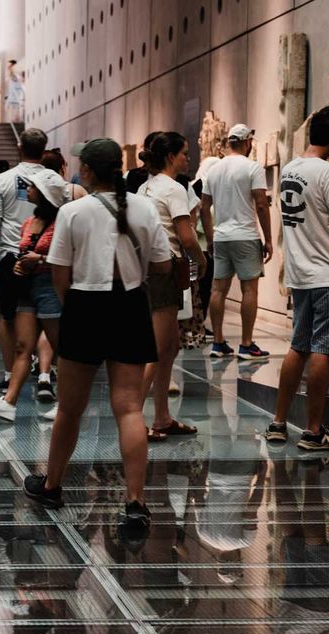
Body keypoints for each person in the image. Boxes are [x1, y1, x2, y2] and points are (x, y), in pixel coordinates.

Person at [23, 138, 172, 536]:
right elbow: (163, 263)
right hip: (130, 307)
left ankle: (52, 486)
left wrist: (70, 306)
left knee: (71, 408)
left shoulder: (73, 211)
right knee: (128, 408)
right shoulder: (143, 207)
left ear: (86, 170)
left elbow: (59, 269)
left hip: (84, 306)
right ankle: (136, 503)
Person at [266, 103, 329, 451]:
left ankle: (278, 423)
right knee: (323, 350)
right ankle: (313, 430)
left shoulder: (291, 168)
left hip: (301, 272)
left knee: (299, 346)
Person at [0, 169, 67, 421]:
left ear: (45, 194)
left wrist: (39, 258)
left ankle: (68, 402)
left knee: (61, 348)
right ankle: (9, 402)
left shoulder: (63, 221)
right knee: (22, 346)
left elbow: (69, 256)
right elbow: (24, 251)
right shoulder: (29, 222)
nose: (26, 190)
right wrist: (22, 263)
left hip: (50, 287)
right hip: (28, 287)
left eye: (32, 187)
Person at [137, 131, 206, 442]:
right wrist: (202, 261)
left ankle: (163, 416)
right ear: (170, 157)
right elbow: (187, 235)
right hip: (167, 270)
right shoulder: (174, 188)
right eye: (184, 154)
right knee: (157, 348)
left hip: (149, 268)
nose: (188, 159)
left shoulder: (144, 187)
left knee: (170, 346)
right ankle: (134, 416)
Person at [0, 128, 50, 395]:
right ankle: (44, 372)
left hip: (11, 255)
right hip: (44, 258)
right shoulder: (54, 178)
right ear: (44, 150)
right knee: (46, 317)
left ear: (19, 147)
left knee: (8, 316)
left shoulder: (3, 179)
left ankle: (10, 373)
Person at [202, 124, 274, 360]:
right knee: (249, 289)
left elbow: (204, 207)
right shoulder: (252, 168)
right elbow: (261, 204)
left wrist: (211, 238)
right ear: (247, 142)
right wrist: (269, 239)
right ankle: (246, 344)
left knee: (218, 290)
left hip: (222, 237)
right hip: (245, 236)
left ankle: (219, 342)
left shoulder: (214, 169)